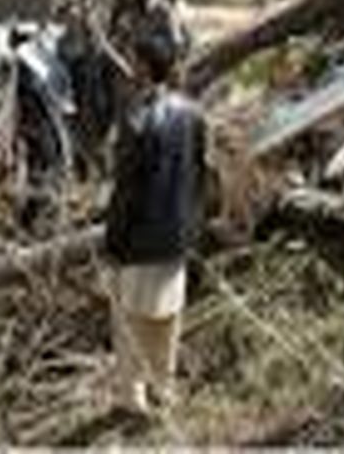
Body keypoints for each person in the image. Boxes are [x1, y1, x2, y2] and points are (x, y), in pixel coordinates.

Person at [105, 21, 207, 418]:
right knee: (168, 318)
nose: (129, 67)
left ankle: (133, 398)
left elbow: (126, 191)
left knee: (129, 322)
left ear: (144, 68)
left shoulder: (137, 119)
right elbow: (200, 177)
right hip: (177, 235)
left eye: (133, 61)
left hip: (139, 241)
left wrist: (113, 242)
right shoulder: (194, 115)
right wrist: (191, 230)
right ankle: (164, 389)